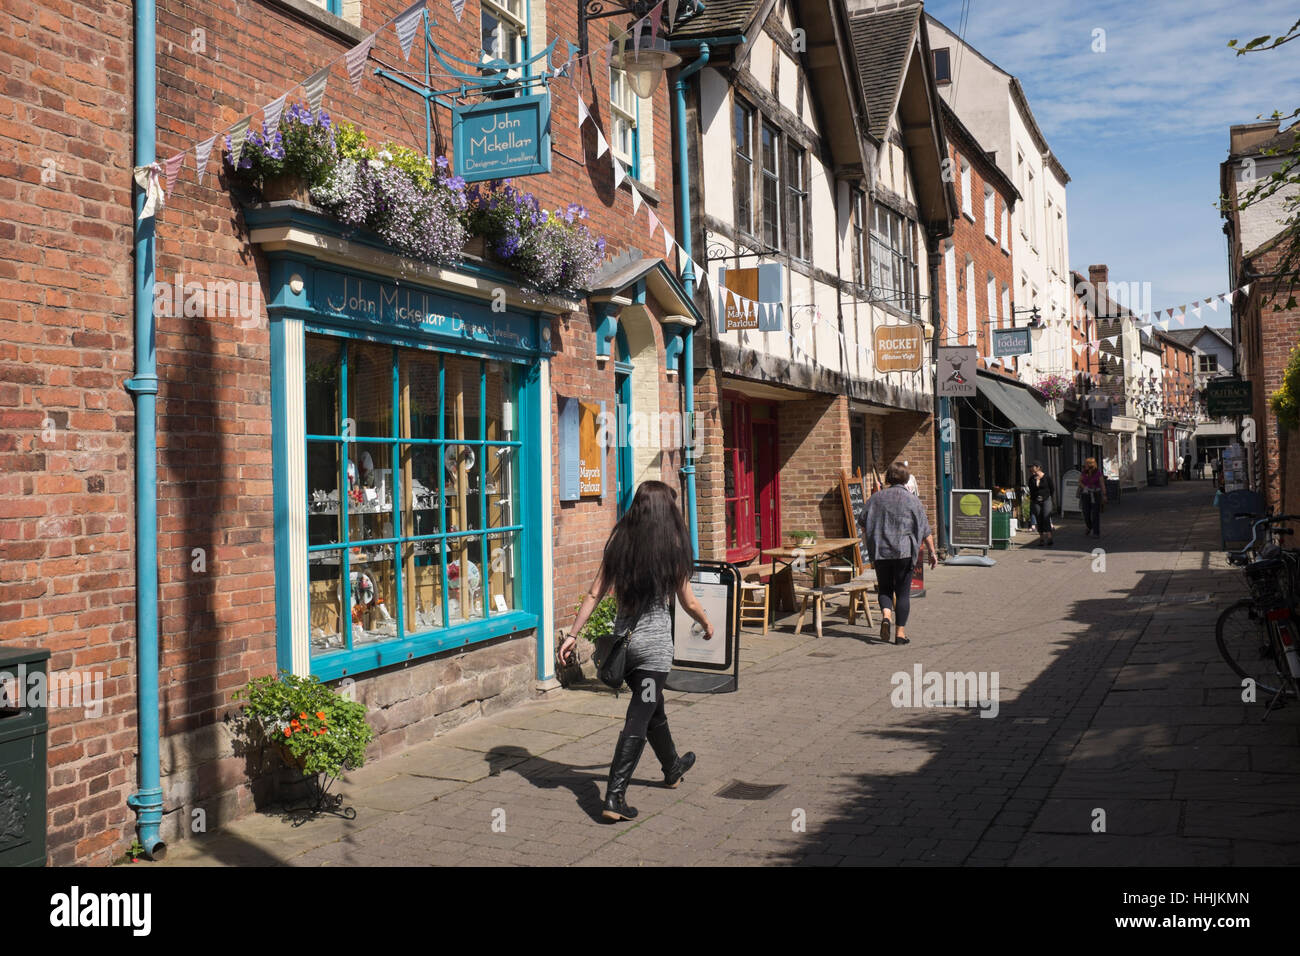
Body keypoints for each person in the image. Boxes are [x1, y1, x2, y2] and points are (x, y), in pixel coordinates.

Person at [560, 481, 713, 822]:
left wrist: (572, 635)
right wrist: (707, 624)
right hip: (654, 653)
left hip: (626, 650)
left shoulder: (618, 546)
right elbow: (687, 601)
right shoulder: (671, 550)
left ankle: (672, 768)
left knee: (652, 705)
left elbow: (593, 593)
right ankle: (614, 797)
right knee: (639, 717)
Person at [859, 462, 938, 645]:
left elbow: (862, 521)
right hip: (904, 552)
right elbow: (925, 530)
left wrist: (871, 537)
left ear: (888, 478)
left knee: (885, 588)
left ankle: (886, 616)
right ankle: (900, 634)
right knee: (902, 593)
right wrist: (932, 553)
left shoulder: (876, 498)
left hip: (881, 552)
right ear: (906, 479)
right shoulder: (913, 500)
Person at [1027, 462, 1054, 547]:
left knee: (1046, 516)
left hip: (1046, 499)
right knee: (1039, 518)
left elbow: (1052, 488)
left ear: (1038, 467)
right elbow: (1031, 490)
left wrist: (1048, 497)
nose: (1031, 468)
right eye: (1030, 467)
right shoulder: (1031, 479)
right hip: (1036, 501)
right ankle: (1041, 538)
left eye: (1032, 467)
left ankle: (1049, 537)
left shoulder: (1047, 477)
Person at [1078, 457, 1105, 538]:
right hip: (1086, 494)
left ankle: (1096, 532)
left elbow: (1102, 483)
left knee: (1095, 514)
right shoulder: (1084, 472)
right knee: (1086, 513)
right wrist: (1085, 487)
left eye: (1086, 463)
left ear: (1091, 464)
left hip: (1096, 494)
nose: (1085, 465)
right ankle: (1089, 526)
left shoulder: (1098, 473)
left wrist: (1104, 494)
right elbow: (1079, 481)